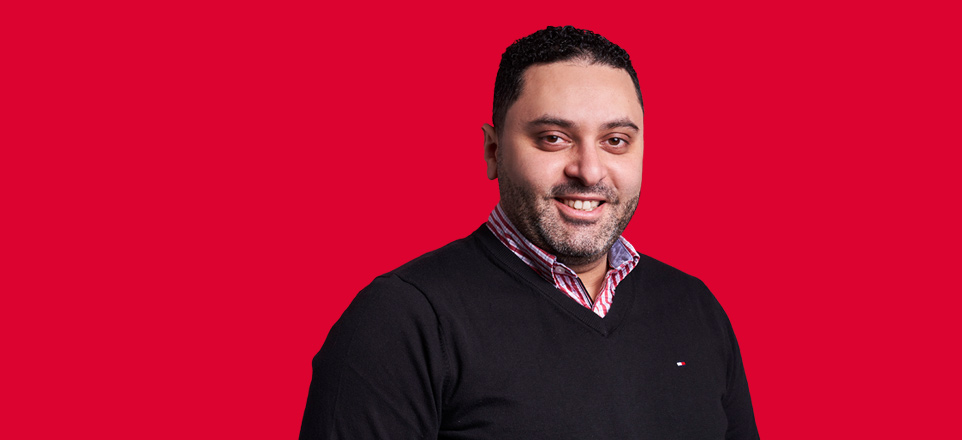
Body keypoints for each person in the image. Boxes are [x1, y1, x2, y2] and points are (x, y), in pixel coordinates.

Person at [299, 26, 759, 439]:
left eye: (615, 140)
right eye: (554, 137)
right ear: (493, 150)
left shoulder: (695, 308)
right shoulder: (401, 320)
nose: (589, 170)